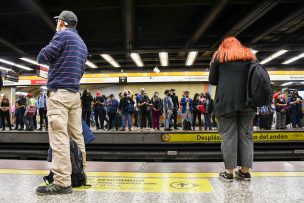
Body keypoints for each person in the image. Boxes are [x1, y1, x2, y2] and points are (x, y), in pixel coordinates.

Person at [36, 10, 88, 195]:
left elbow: (42, 56)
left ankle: (62, 182)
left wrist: (57, 33)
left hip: (59, 94)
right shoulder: (82, 44)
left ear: (63, 23)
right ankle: (79, 176)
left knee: (59, 139)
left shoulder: (62, 36)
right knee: (77, 137)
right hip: (74, 95)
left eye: (58, 21)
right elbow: (81, 72)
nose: (57, 23)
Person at [209, 36, 257, 181]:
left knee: (229, 136)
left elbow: (213, 80)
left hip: (226, 102)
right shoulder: (249, 55)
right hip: (248, 101)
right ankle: (244, 172)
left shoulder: (219, 56)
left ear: (223, 45)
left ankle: (229, 173)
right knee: (247, 135)